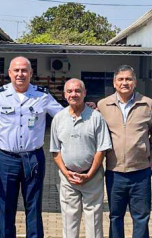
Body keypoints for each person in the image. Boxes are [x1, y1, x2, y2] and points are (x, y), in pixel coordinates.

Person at [0, 56, 65, 238]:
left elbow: (63, 115)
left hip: (33, 158)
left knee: (33, 206)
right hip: (6, 158)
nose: (20, 74)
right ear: (9, 73)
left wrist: (86, 108)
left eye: (24, 70)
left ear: (31, 73)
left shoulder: (42, 95)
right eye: (16, 70)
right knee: (6, 205)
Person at [96, 65, 152, 238]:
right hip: (114, 172)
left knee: (141, 217)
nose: (124, 83)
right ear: (114, 82)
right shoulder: (103, 105)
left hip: (140, 173)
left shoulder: (148, 104)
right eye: (121, 79)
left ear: (135, 82)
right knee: (115, 216)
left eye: (128, 79)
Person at [51, 79, 112, 238]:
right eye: (69, 91)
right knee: (69, 220)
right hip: (68, 179)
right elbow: (55, 151)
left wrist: (89, 174)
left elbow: (101, 149)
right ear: (64, 95)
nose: (74, 94)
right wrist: (66, 173)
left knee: (94, 220)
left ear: (84, 93)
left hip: (92, 177)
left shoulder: (96, 117)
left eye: (78, 91)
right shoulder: (58, 118)